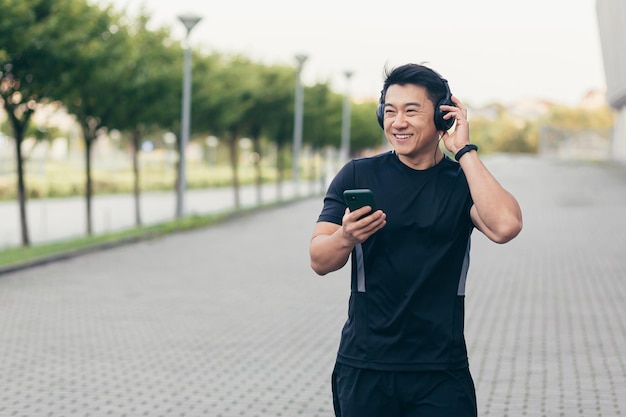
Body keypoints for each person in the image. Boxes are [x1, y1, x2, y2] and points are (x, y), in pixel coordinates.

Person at [309, 63, 523, 417]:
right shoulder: (358, 174)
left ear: (443, 118)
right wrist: (345, 236)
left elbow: (506, 227)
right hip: (366, 366)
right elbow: (319, 259)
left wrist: (465, 150)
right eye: (390, 111)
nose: (398, 122)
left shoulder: (462, 182)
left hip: (440, 370)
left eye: (411, 111)